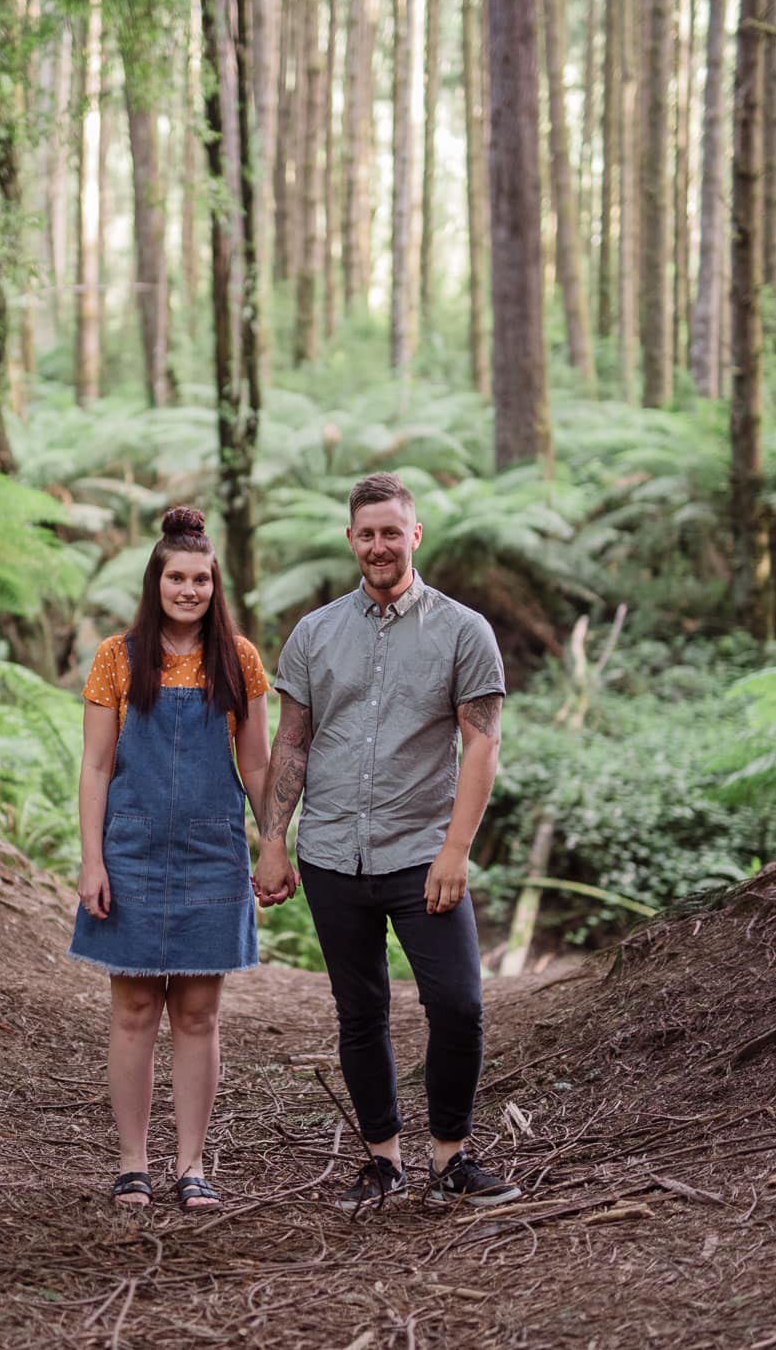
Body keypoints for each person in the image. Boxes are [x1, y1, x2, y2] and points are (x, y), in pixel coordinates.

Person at [254, 472, 522, 1210]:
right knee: (360, 1010)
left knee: (459, 1005)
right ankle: (381, 1161)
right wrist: (272, 840)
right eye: (365, 533)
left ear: (414, 535)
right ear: (350, 540)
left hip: (421, 855)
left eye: (390, 531)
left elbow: (481, 747)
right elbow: (294, 744)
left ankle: (451, 1156)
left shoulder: (463, 631)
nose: (378, 545)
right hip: (333, 851)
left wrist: (455, 850)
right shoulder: (313, 633)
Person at [69, 507, 270, 1211]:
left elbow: (257, 766)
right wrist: (92, 861)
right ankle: (132, 1163)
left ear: (216, 586)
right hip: (131, 854)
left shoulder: (238, 660)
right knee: (131, 1010)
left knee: (197, 1014)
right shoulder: (116, 659)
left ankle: (190, 1165)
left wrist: (271, 844)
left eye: (201, 580)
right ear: (155, 581)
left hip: (214, 854)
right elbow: (95, 768)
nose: (189, 590)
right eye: (176, 577)